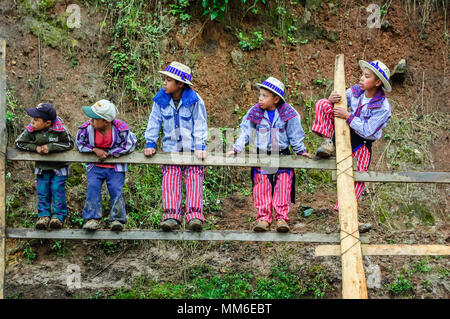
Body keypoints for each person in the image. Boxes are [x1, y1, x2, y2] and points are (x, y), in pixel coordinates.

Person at [227, 77, 311, 232]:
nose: (260, 98)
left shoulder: (289, 113)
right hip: (262, 155)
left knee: (283, 185)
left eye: (264, 96)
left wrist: (301, 151)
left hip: (282, 155)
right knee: (262, 186)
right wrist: (236, 148)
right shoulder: (255, 112)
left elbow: (294, 134)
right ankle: (264, 218)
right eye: (260, 95)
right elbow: (246, 132)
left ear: (276, 99)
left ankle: (281, 218)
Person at [312, 60, 392, 211]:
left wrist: (348, 116)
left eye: (367, 76)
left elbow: (369, 130)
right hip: (343, 133)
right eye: (362, 74)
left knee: (358, 175)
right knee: (323, 104)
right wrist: (332, 100)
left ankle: (346, 209)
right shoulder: (355, 92)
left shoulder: (383, 107)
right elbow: (340, 103)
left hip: (362, 142)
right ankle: (327, 142)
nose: (361, 78)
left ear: (377, 83)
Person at [144, 61, 208, 232]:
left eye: (168, 80)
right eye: (164, 79)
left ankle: (194, 216)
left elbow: (200, 123)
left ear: (180, 84)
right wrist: (150, 142)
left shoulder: (194, 101)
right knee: (170, 180)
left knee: (194, 179)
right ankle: (171, 216)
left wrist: (201, 145)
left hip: (191, 150)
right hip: (170, 149)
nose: (164, 83)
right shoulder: (161, 99)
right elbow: (154, 121)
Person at [75, 100, 137, 231]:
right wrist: (94, 150)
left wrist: (111, 153)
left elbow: (130, 144)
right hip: (95, 166)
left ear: (106, 122)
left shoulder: (121, 129)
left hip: (115, 167)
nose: (91, 120)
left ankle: (117, 219)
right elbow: (79, 143)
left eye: (95, 118)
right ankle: (92, 218)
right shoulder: (86, 129)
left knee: (116, 189)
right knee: (92, 187)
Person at [15, 103, 74, 229]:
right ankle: (43, 216)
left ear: (47, 123)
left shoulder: (60, 129)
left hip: (59, 168)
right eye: (32, 119)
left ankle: (58, 217)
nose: (32, 122)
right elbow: (19, 143)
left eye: (36, 120)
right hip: (42, 169)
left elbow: (69, 143)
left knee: (57, 190)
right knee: (42, 192)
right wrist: (35, 148)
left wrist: (51, 147)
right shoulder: (31, 130)